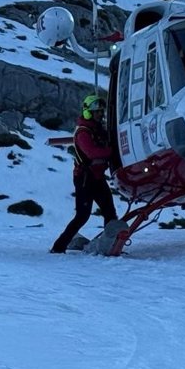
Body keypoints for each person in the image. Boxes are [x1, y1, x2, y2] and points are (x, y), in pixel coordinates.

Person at [50, 94, 119, 254]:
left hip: (97, 177)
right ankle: (58, 247)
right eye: (97, 112)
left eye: (101, 112)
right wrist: (112, 152)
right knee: (82, 215)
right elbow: (92, 153)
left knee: (110, 212)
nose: (100, 115)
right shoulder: (83, 132)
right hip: (85, 179)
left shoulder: (97, 130)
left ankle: (109, 244)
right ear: (89, 112)